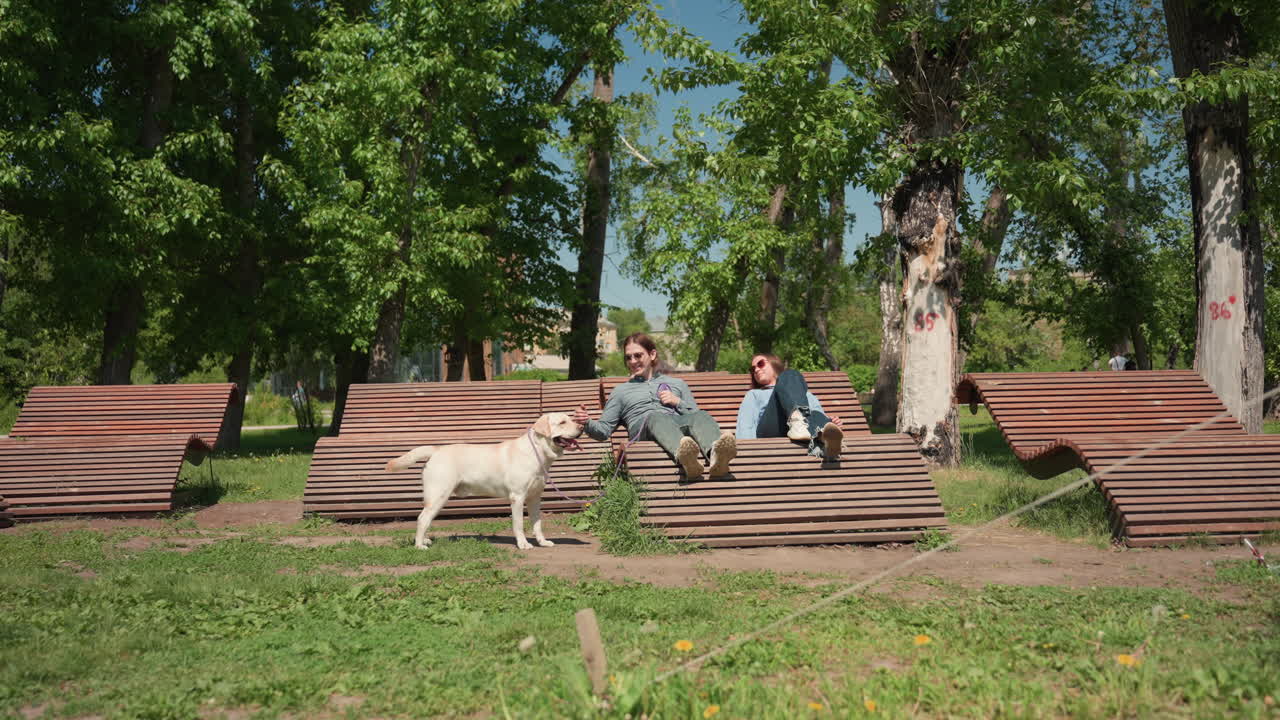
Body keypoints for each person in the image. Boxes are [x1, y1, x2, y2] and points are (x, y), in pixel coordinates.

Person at [573, 333, 736, 480]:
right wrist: (587, 422)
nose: (632, 361)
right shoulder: (620, 391)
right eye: (628, 357)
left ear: (652, 354)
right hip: (643, 431)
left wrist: (677, 401)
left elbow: (696, 416)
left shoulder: (676, 384)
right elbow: (603, 431)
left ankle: (716, 459)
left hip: (676, 427)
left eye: (638, 355)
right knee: (656, 416)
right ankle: (685, 456)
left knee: (702, 415)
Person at [736, 354, 844, 460]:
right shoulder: (754, 394)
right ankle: (802, 424)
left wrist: (828, 423)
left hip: (803, 431)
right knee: (790, 375)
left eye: (760, 364)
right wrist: (747, 451)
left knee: (791, 374)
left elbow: (816, 411)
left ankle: (825, 438)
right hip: (772, 430)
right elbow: (746, 423)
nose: (756, 370)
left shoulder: (800, 391)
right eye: (752, 368)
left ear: (774, 364)